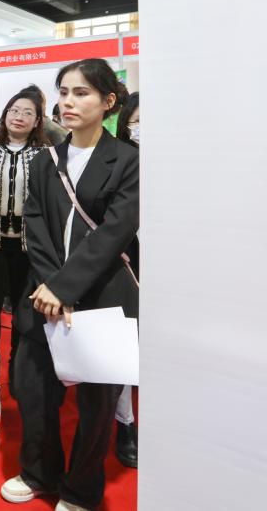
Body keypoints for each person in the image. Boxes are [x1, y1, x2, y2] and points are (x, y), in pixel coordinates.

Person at [1, 58, 139, 511]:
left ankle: (81, 489)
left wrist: (67, 288)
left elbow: (114, 233)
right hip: (43, 295)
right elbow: (35, 224)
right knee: (33, 389)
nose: (69, 102)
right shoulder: (47, 159)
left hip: (102, 296)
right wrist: (51, 285)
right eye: (63, 92)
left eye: (81, 93)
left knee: (97, 404)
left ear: (108, 101)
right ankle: (39, 472)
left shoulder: (129, 161)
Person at [0, 90, 49, 390]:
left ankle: (18, 370)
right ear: (5, 115)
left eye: (27, 112)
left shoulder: (45, 155)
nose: (19, 117)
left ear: (37, 121)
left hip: (27, 247)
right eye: (14, 110)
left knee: (22, 312)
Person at [113, 90, 140, 468]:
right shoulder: (118, 160)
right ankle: (125, 423)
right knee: (123, 346)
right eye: (137, 122)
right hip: (126, 259)